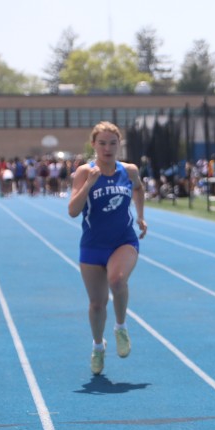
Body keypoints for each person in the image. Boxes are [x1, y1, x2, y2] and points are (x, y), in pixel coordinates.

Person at [67, 122, 147, 376]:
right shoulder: (84, 172)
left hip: (123, 241)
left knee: (117, 279)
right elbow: (72, 211)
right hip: (93, 246)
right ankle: (98, 346)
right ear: (94, 145)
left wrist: (141, 216)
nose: (107, 148)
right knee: (97, 304)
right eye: (102, 143)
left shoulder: (129, 170)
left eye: (112, 143)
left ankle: (121, 327)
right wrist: (89, 184)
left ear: (119, 144)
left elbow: (139, 188)